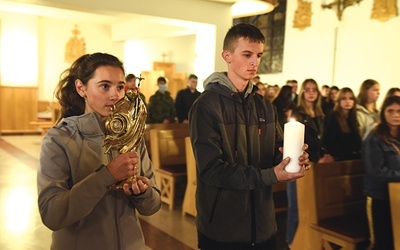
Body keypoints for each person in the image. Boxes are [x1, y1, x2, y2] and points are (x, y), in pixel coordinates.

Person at [189, 23, 310, 250]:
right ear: (227, 56)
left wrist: (290, 158)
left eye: (259, 55)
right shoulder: (206, 106)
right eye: (247, 54)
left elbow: (275, 151)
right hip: (223, 227)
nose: (255, 62)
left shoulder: (264, 106)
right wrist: (269, 175)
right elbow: (211, 170)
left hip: (264, 224)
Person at [37, 52, 161, 249]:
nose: (115, 95)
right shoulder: (59, 139)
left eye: (120, 87)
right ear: (81, 88)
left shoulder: (131, 136)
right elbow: (52, 215)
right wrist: (107, 175)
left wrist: (142, 192)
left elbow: (153, 206)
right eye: (105, 86)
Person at [288, 78, 329, 247]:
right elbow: (293, 140)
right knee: (296, 207)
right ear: (302, 93)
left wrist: (325, 154)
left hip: (318, 164)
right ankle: (291, 241)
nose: (311, 92)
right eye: (307, 89)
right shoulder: (297, 114)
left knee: (312, 209)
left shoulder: (322, 114)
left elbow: (326, 139)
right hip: (300, 163)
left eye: (314, 89)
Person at [363, 95, 400, 250]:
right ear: (383, 113)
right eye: (390, 111)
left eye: (399, 111)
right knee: (381, 242)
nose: (395, 115)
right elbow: (376, 172)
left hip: (397, 197)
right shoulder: (375, 137)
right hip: (380, 197)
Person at [321, 87, 362, 161]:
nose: (348, 101)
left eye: (351, 98)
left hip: (351, 158)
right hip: (338, 159)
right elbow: (327, 140)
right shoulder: (333, 117)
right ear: (339, 101)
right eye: (344, 98)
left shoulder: (353, 117)